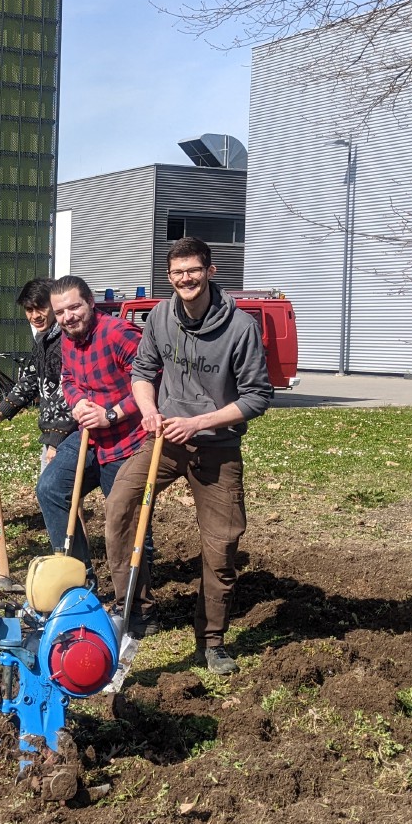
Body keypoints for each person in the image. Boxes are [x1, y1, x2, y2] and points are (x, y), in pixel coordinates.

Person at [107, 237, 273, 676]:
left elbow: (258, 396)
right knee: (120, 504)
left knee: (221, 547)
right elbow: (142, 370)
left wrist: (199, 423)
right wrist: (149, 411)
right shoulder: (161, 315)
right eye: (178, 272)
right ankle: (135, 614)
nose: (186, 279)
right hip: (164, 443)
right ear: (169, 277)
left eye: (193, 270)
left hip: (216, 449)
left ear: (210, 271)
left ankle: (211, 641)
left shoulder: (240, 328)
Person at [41, 275, 148, 595]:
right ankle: (81, 583)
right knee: (50, 488)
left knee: (126, 520)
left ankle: (137, 604)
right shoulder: (66, 339)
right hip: (89, 436)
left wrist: (111, 413)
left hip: (127, 439)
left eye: (74, 307)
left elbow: (152, 380)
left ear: (91, 302)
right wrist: (77, 404)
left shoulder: (119, 334)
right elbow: (70, 379)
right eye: (60, 312)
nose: (67, 317)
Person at [0, 278, 75, 476]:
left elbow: (68, 393)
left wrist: (56, 441)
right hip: (51, 435)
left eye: (41, 308)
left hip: (71, 435)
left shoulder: (67, 342)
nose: (35, 316)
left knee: (52, 493)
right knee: (49, 494)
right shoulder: (43, 340)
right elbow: (31, 380)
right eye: (29, 310)